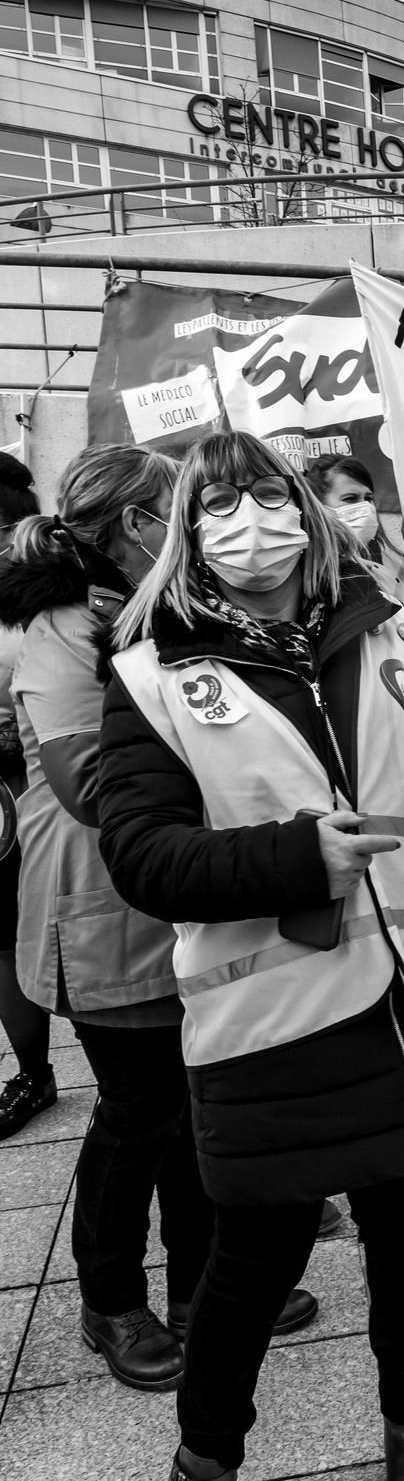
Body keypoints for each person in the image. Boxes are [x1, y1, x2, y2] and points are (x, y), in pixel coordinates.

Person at [98, 432, 404, 1481]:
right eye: (217, 506)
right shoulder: (151, 672)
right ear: (186, 532)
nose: (249, 522)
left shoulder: (386, 627)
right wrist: (293, 856)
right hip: (277, 1021)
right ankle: (207, 1457)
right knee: (254, 1258)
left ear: (302, 505)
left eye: (266, 495)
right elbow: (141, 854)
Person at [0, 444, 318, 1394]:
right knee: (137, 1114)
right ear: (144, 525)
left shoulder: (153, 611)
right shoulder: (59, 622)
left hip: (172, 893)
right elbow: (87, 783)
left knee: (191, 1099)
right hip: (98, 896)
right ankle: (110, 1302)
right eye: (189, 511)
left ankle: (196, 1286)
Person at [0, 450, 54, 1140]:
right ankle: (34, 1072)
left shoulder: (50, 591)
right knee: (4, 939)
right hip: (5, 804)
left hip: (47, 791)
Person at [306, 455, 404, 629]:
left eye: (368, 498)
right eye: (350, 499)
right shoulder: (310, 571)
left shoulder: (386, 556)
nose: (365, 507)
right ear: (318, 506)